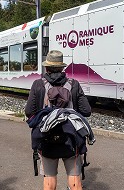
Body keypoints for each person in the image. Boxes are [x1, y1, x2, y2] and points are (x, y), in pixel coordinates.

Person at [25, 50, 91, 190]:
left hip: (46, 138)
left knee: (49, 179)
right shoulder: (74, 84)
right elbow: (86, 111)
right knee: (75, 180)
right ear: (62, 68)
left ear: (46, 67)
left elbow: (29, 112)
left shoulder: (38, 84)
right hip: (71, 139)